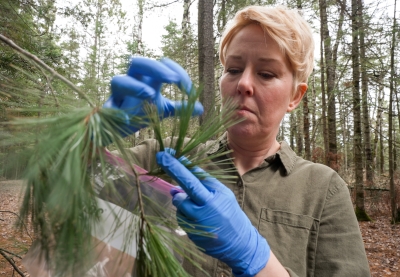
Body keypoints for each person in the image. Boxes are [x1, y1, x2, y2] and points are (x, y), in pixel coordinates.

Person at [103, 5, 371, 277]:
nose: (243, 83)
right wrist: (92, 132)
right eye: (233, 69)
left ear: (295, 97)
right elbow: (69, 200)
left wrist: (257, 260)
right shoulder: (165, 157)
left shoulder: (323, 190)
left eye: (266, 73)